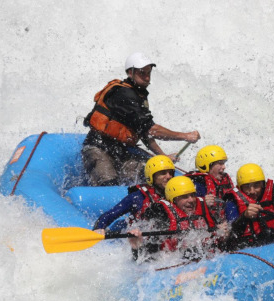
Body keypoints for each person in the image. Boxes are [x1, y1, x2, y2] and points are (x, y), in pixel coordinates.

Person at [82, 52, 200, 186]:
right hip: (99, 149)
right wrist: (185, 136)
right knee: (109, 185)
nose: (147, 77)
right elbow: (152, 130)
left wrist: (162, 156)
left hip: (121, 151)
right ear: (130, 73)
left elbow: (144, 132)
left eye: (148, 72)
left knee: (153, 175)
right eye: (142, 73)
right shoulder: (124, 94)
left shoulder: (139, 94)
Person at [128, 176, 229, 262]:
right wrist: (137, 247)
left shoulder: (203, 206)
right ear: (174, 200)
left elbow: (220, 242)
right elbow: (149, 255)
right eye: (184, 197)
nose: (191, 200)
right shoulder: (163, 215)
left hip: (207, 259)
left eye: (192, 195)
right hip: (175, 262)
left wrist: (223, 233)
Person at [92, 155, 175, 233]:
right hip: (138, 236)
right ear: (151, 176)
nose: (169, 176)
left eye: (171, 173)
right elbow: (109, 215)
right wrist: (98, 229)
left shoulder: (177, 194)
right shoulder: (138, 197)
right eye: (163, 173)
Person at [184, 145, 234, 223]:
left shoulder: (225, 180)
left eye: (224, 163)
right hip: (206, 224)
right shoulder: (197, 183)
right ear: (207, 165)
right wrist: (202, 203)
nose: (224, 167)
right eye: (220, 163)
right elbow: (187, 211)